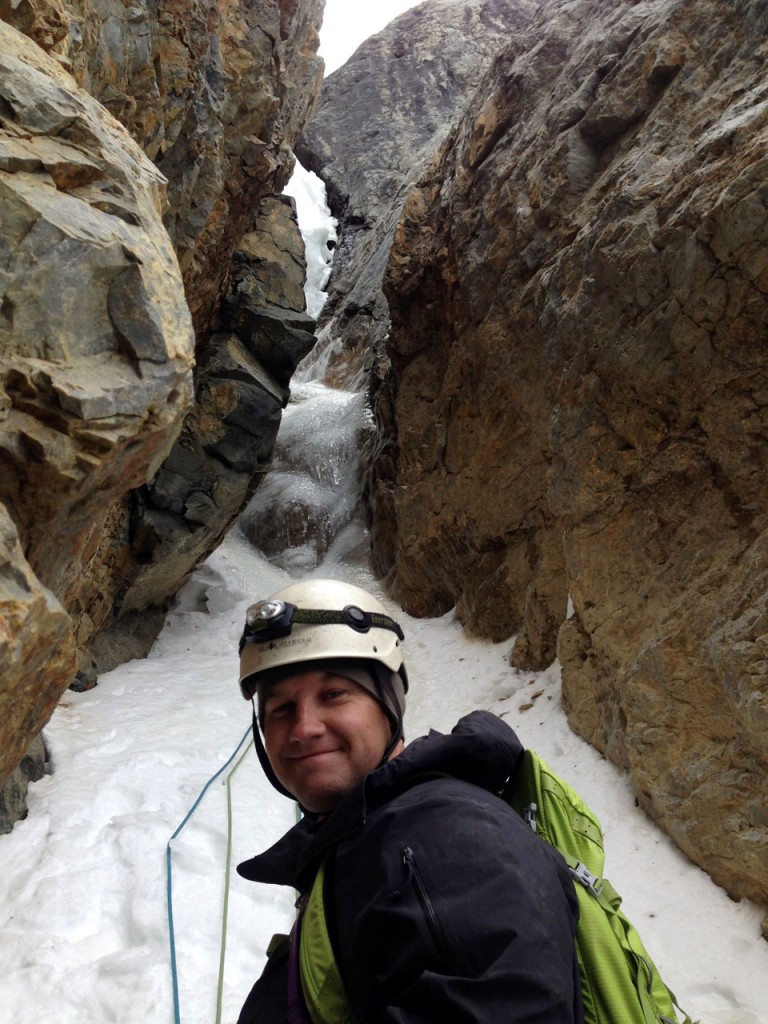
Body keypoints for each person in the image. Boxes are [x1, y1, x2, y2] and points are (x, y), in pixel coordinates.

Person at [235, 578, 583, 1024]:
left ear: (389, 705)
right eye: (281, 709)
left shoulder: (443, 843)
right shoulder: (374, 839)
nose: (304, 727)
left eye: (333, 695)